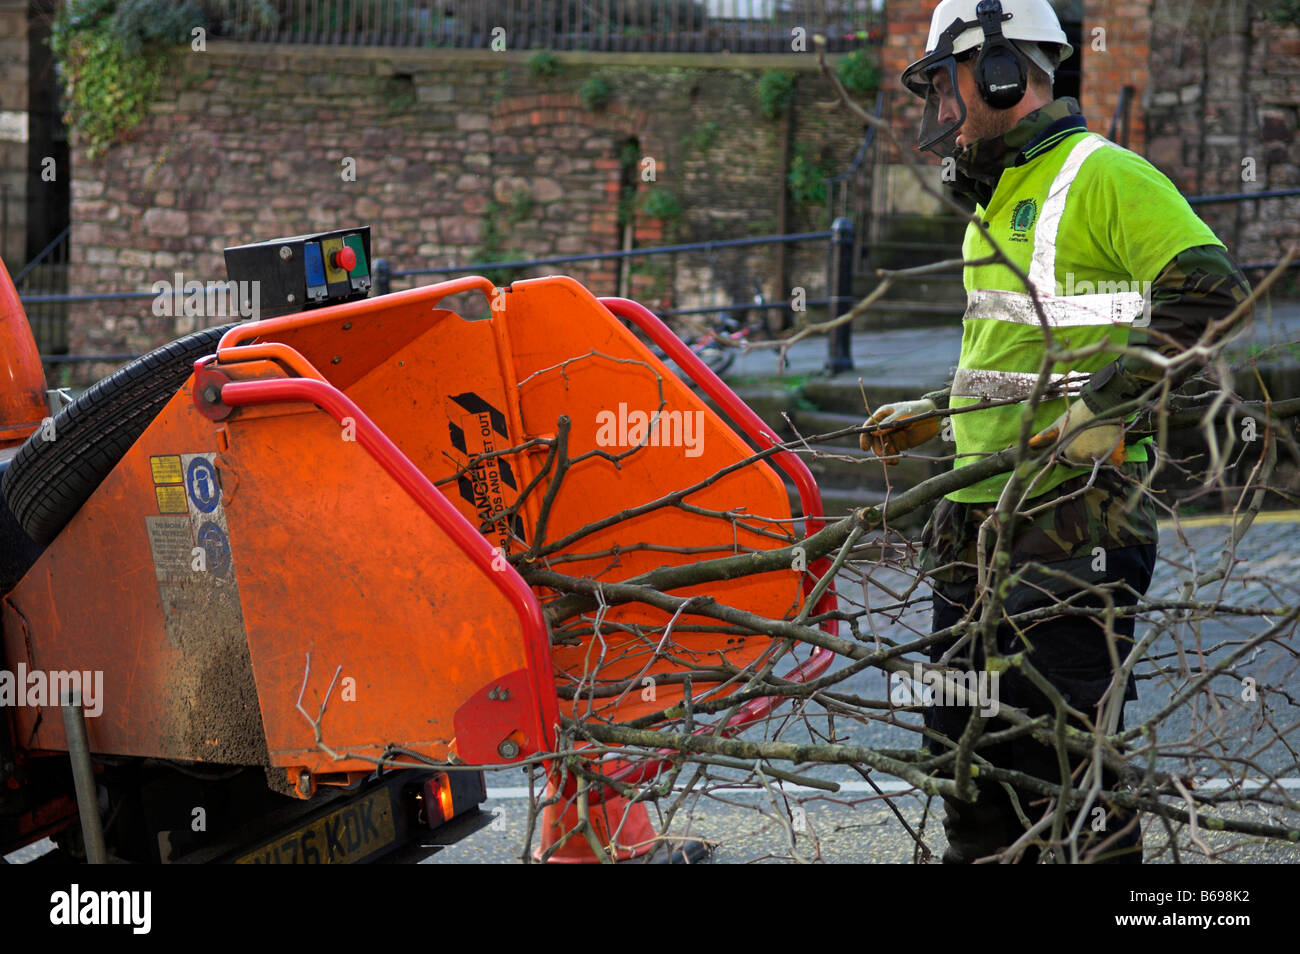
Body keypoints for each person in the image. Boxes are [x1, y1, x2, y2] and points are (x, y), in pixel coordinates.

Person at [863, 0, 1253, 863]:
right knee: (962, 757)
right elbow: (1026, 356)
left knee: (1062, 772)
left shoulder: (1100, 174)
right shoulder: (1000, 195)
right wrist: (939, 408)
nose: (940, 107)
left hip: (1075, 525)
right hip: (971, 525)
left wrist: (1113, 409)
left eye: (945, 82)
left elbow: (1214, 295)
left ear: (999, 70)